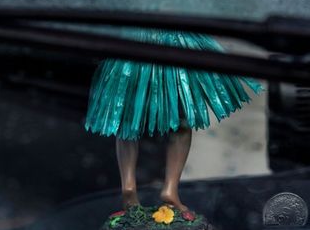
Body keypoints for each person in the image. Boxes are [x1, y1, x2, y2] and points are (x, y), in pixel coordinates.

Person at [85, 29, 261, 212]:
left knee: (127, 121)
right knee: (181, 123)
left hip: (133, 42)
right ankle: (170, 189)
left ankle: (128, 185)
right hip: (175, 43)